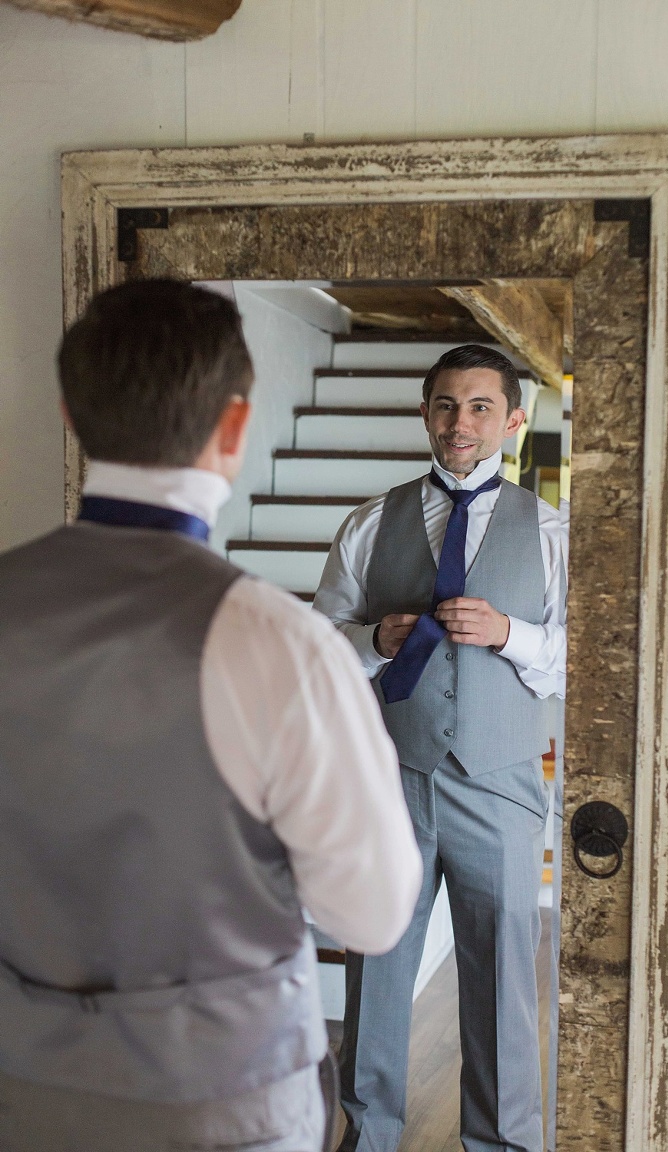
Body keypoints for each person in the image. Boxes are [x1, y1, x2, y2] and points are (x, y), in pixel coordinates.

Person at [0, 280, 422, 1152]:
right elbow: (373, 914)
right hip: (223, 1104)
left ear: (70, 414)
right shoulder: (286, 647)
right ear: (235, 429)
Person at [314, 344, 566, 1152]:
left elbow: (589, 653)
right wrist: (372, 639)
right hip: (390, 780)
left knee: (501, 989)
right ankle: (369, 1138)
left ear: (513, 420)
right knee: (378, 975)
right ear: (425, 413)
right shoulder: (366, 525)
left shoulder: (554, 532)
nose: (462, 423)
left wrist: (511, 634)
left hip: (499, 785)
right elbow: (317, 649)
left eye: (481, 406)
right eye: (446, 406)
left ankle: (504, 1145)